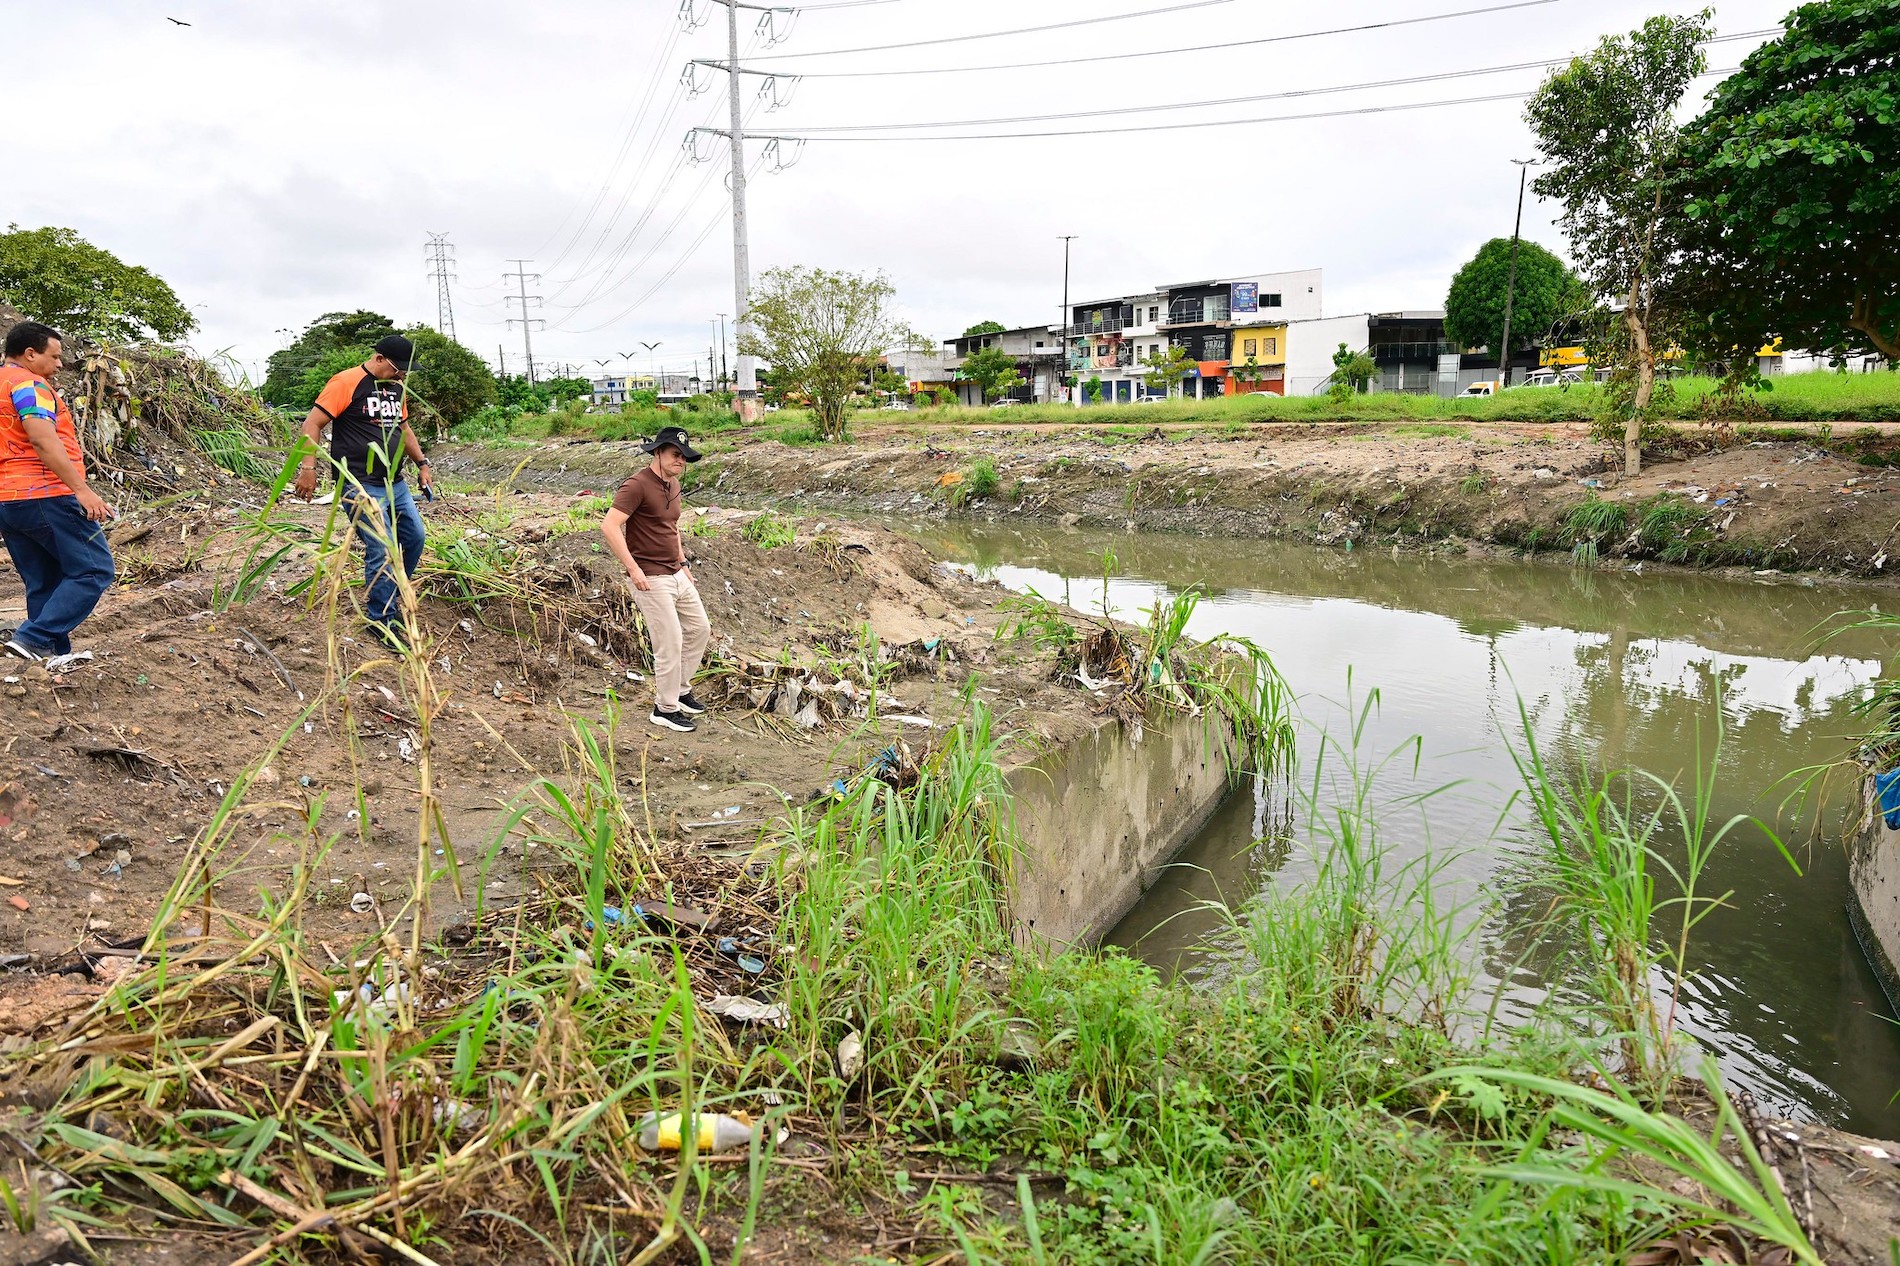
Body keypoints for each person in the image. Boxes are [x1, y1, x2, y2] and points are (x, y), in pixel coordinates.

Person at [293, 333, 433, 650]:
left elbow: (403, 428)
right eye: (398, 368)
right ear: (380, 358)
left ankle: (392, 595)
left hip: (394, 481)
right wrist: (308, 468)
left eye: (406, 371)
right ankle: (380, 619)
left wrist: (422, 463)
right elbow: (312, 424)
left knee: (414, 538)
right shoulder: (346, 382)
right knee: (381, 547)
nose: (402, 375)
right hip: (358, 481)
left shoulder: (396, 388)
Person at [0, 321, 115, 662]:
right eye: (55, 356)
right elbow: (41, 438)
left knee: (44, 581)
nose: (60, 364)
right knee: (94, 569)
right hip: (45, 493)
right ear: (30, 354)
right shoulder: (29, 384)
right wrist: (82, 490)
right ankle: (36, 638)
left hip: (9, 500)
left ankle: (47, 654)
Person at [601, 425, 709, 733]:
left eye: (684, 457)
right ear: (658, 452)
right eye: (675, 455)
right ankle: (664, 708)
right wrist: (633, 569)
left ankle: (681, 691)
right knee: (670, 642)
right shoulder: (636, 485)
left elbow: (672, 526)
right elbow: (610, 526)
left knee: (700, 629)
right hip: (650, 577)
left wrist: (683, 561)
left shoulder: (673, 485)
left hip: (676, 572)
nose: (680, 462)